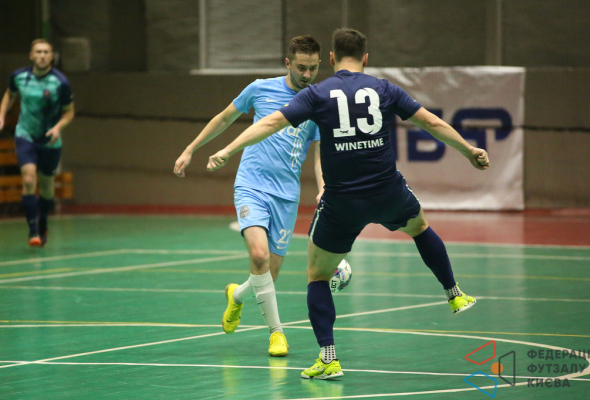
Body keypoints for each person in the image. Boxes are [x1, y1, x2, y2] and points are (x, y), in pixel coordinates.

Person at [206, 28, 490, 379]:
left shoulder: (317, 94)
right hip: (387, 192)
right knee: (420, 228)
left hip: (343, 202)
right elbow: (430, 122)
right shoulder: (384, 89)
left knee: (317, 275)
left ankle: (329, 358)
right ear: (366, 58)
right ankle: (454, 293)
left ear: (330, 58)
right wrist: (469, 150)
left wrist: (228, 149)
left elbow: (272, 122)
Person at [173, 35, 323, 357]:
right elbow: (223, 118)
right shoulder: (260, 88)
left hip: (287, 196)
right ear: (288, 63)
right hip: (251, 185)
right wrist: (190, 149)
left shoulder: (318, 102)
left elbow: (319, 155)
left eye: (313, 68)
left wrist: (323, 186)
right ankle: (277, 333)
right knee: (258, 256)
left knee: (268, 274)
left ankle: (236, 296)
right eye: (301, 67)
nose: (307, 75)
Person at [0, 39, 75, 247]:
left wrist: (58, 127)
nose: (42, 55)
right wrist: (2, 115)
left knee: (47, 187)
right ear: (31, 55)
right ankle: (33, 231)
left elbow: (69, 112)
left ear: (51, 56)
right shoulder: (19, 77)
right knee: (29, 179)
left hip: (50, 140)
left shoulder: (60, 83)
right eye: (38, 52)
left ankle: (42, 223)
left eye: (46, 52)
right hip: (25, 135)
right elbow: (9, 94)